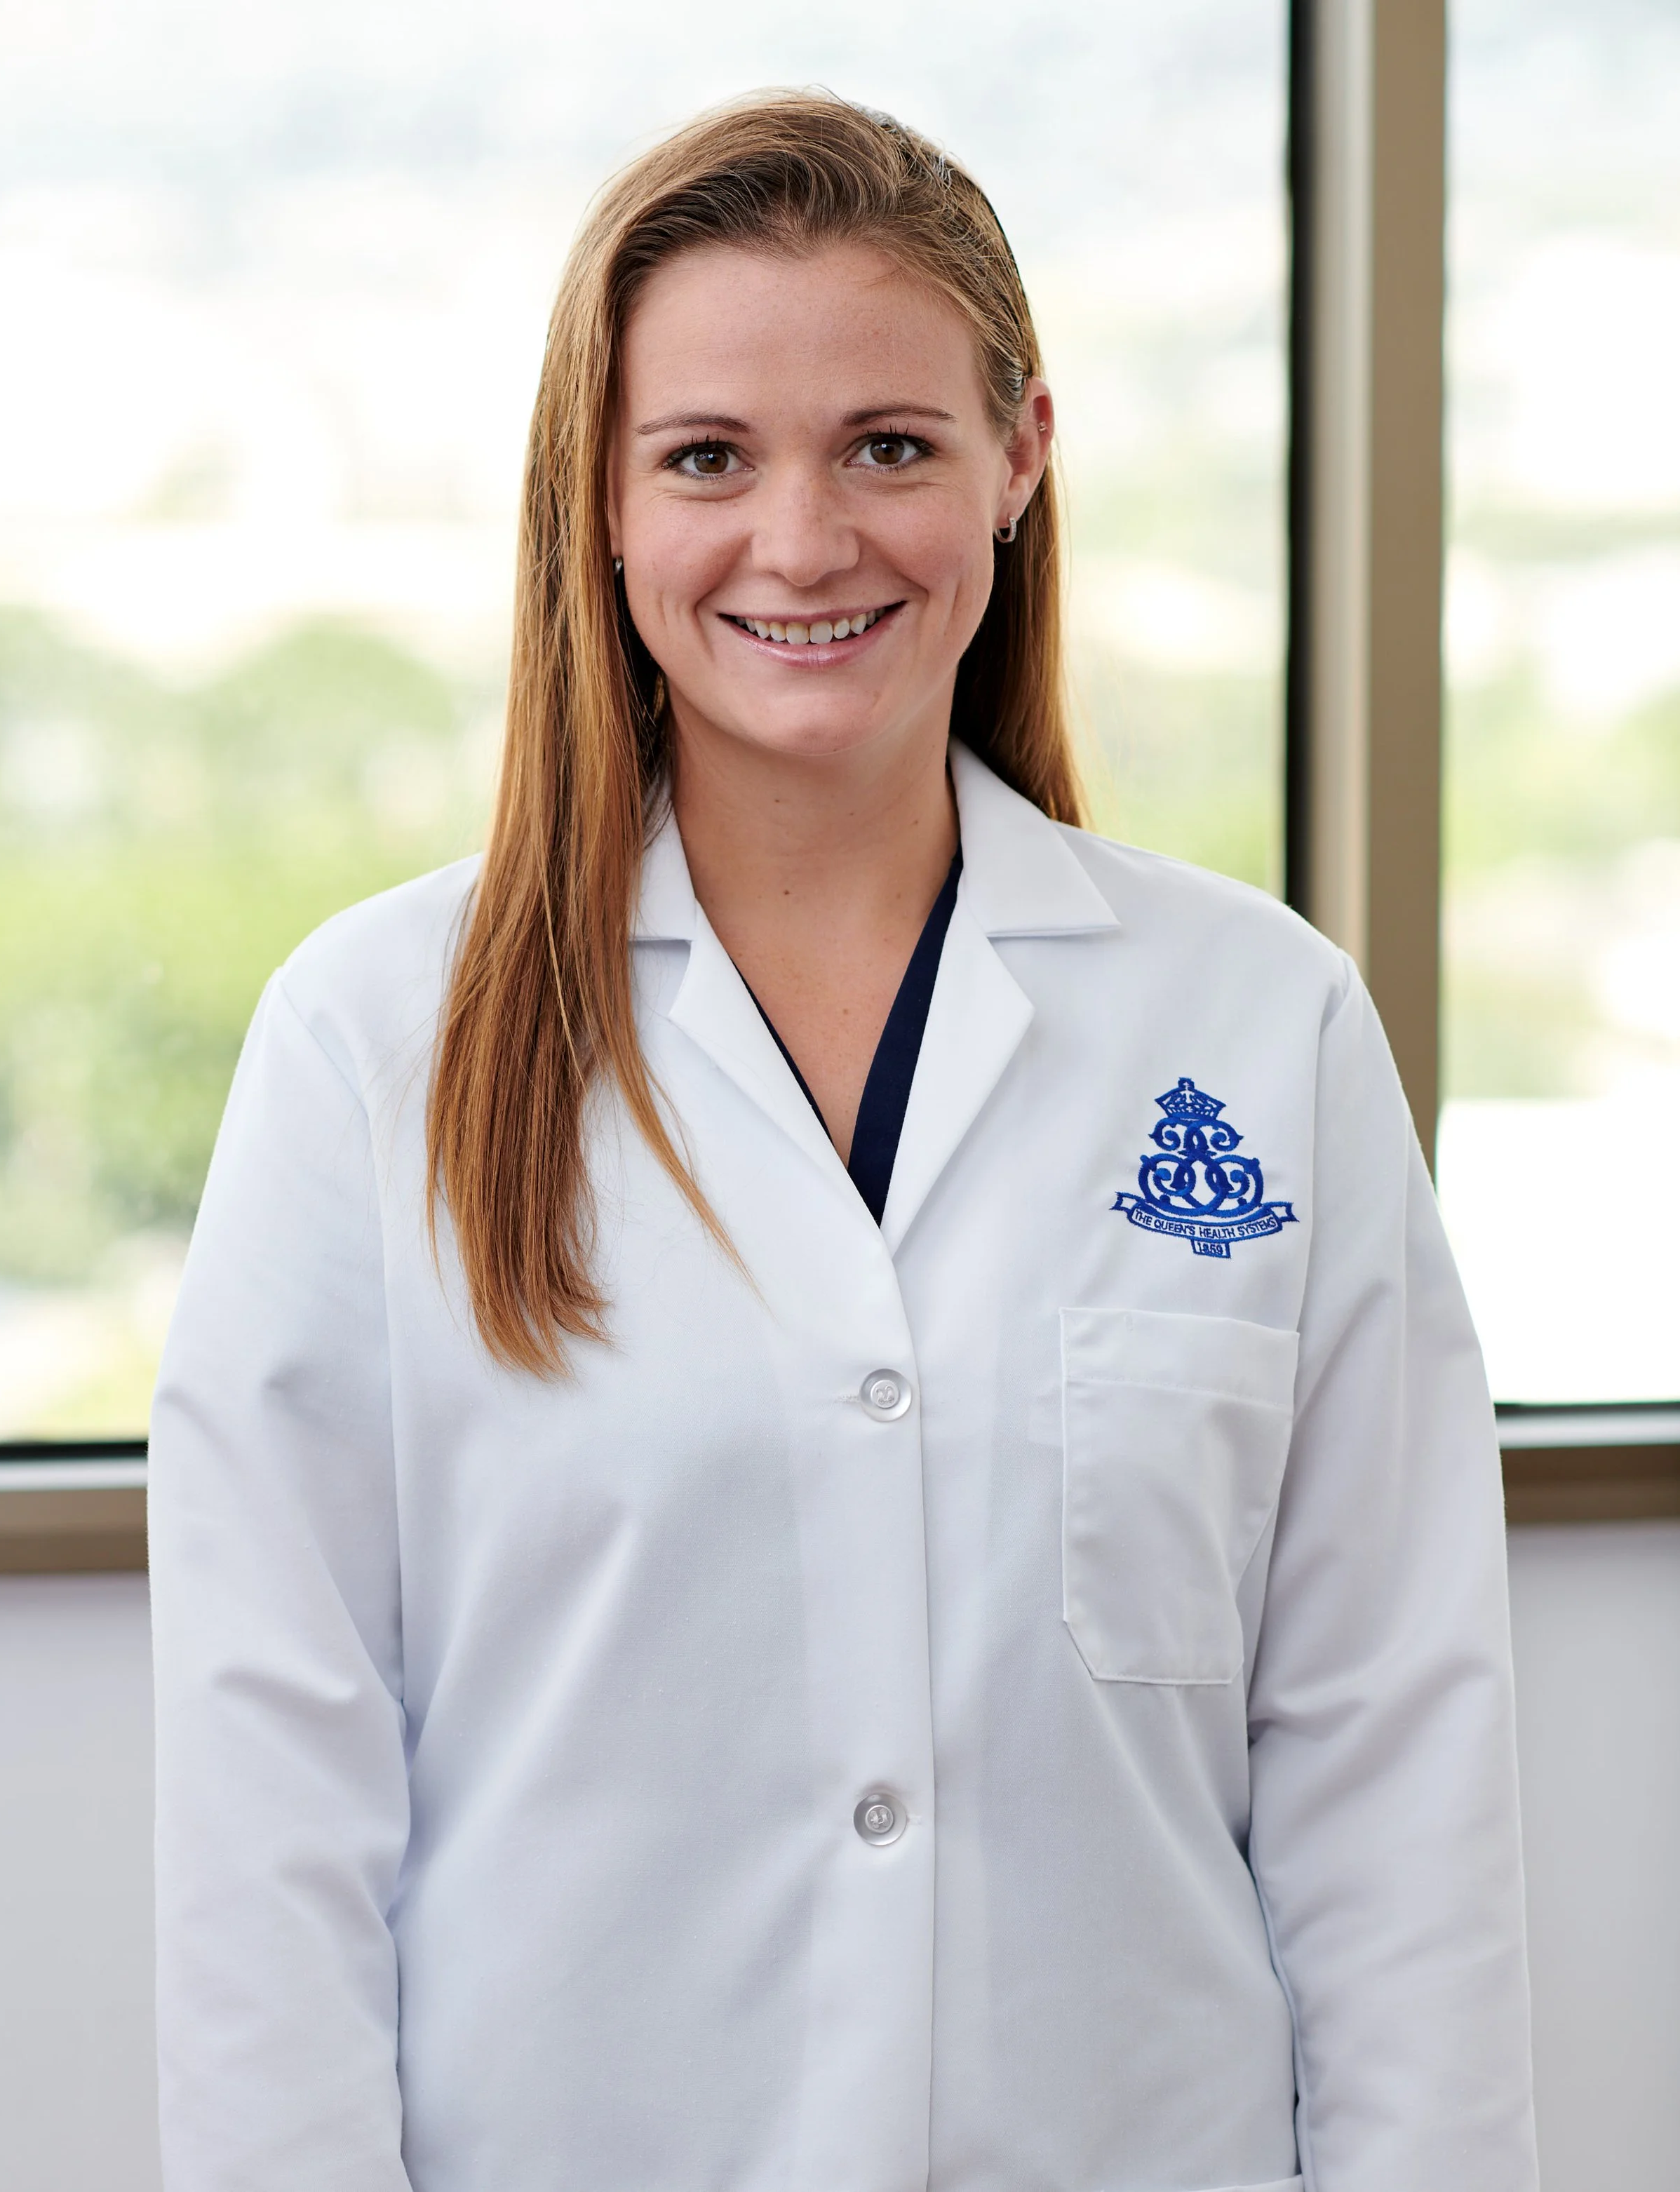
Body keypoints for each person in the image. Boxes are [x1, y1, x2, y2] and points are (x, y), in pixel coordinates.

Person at [149, 91, 1538, 2192]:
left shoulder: (1259, 1030)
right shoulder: (371, 1044)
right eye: (707, 457)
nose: (802, 541)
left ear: (1020, 458)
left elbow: (1391, 1778)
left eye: (888, 444)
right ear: (598, 509)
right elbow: (271, 1820)